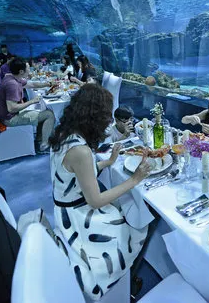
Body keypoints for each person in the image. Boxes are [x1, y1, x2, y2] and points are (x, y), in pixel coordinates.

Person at [49, 84, 151, 300]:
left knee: (126, 204)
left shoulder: (65, 133)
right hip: (77, 218)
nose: (108, 121)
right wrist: (134, 179)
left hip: (65, 206)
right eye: (106, 115)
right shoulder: (81, 150)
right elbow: (95, 200)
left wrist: (108, 162)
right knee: (137, 223)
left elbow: (72, 176)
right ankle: (124, 278)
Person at [0, 57, 55, 153]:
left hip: (6, 115)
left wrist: (48, 84)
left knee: (42, 112)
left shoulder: (12, 77)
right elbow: (11, 108)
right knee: (49, 115)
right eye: (28, 68)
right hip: (9, 119)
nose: (29, 69)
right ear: (21, 71)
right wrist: (31, 101)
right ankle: (44, 145)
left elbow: (32, 84)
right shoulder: (12, 84)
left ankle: (39, 140)